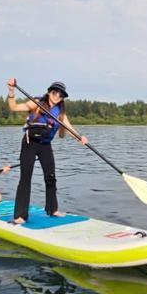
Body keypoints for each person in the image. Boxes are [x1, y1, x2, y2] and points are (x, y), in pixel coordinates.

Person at [6, 78, 88, 223]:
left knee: (51, 177)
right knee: (26, 178)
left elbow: (69, 129)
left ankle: (52, 209)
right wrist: (11, 90)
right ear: (49, 92)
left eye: (61, 95)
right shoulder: (36, 103)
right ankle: (20, 216)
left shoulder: (60, 112)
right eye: (55, 92)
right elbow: (13, 107)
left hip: (45, 146)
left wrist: (80, 137)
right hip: (30, 143)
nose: (57, 96)